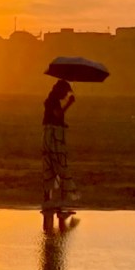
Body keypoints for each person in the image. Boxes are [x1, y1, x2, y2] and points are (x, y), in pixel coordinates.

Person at [42, 79, 78, 208]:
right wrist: (69, 103)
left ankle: (49, 197)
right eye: (65, 92)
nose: (66, 95)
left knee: (50, 165)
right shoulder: (53, 101)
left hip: (51, 135)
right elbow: (57, 115)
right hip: (53, 137)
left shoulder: (51, 99)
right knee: (57, 163)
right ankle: (60, 196)